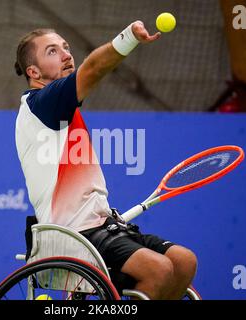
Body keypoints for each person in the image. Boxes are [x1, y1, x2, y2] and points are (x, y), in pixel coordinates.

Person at [14, 21, 197, 300]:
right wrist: (128, 39)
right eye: (52, 51)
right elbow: (94, 69)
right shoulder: (42, 104)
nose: (66, 55)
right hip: (73, 236)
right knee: (158, 270)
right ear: (33, 71)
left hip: (103, 227)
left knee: (184, 261)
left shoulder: (60, 110)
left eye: (66, 47)